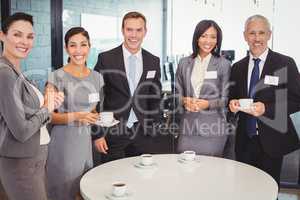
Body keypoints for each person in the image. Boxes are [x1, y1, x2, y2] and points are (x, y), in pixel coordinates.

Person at [228, 14, 300, 185]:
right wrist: (232, 104)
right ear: (245, 36)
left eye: (261, 33)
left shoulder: (285, 63)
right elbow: (231, 98)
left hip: (272, 141)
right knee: (244, 189)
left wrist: (267, 108)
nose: (257, 38)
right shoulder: (238, 67)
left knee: (268, 190)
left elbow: (297, 100)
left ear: (269, 34)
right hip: (245, 141)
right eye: (252, 33)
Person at [0, 12, 64, 200]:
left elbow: (33, 117)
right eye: (17, 34)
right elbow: (21, 131)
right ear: (2, 36)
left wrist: (48, 105)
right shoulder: (4, 74)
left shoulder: (16, 72)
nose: (24, 41)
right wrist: (46, 108)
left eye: (30, 36)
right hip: (20, 163)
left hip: (33, 158)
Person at [93, 11, 161, 163]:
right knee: (112, 178)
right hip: (113, 131)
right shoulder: (106, 58)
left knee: (142, 178)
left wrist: (155, 128)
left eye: (139, 30)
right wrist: (97, 134)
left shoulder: (153, 61)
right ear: (122, 30)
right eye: (129, 29)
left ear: (145, 32)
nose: (134, 35)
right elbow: (96, 98)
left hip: (143, 133)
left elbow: (155, 98)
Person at [46, 27, 104, 200]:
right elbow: (48, 116)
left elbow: (93, 109)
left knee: (84, 191)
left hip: (85, 143)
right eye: (73, 45)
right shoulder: (55, 77)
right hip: (63, 144)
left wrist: (96, 118)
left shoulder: (97, 77)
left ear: (89, 46)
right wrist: (78, 116)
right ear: (66, 48)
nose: (78, 51)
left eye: (83, 45)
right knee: (64, 193)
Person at [175, 20, 232, 156]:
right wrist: (184, 101)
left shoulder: (224, 64)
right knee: (185, 169)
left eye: (213, 37)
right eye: (204, 36)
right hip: (188, 128)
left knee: (210, 172)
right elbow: (175, 95)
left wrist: (207, 104)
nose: (208, 41)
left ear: (218, 41)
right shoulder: (184, 63)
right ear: (197, 38)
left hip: (213, 128)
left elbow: (226, 99)